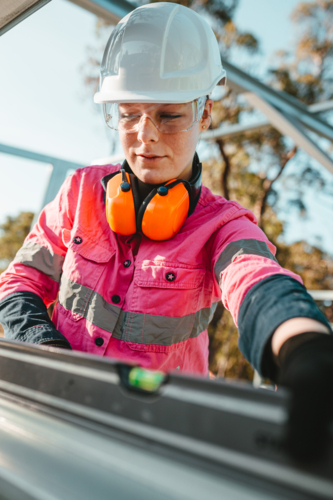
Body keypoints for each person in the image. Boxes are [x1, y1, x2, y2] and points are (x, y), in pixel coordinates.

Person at [0, 2, 332, 462]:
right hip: (54, 412)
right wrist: (45, 350)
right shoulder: (79, 192)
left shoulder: (222, 224)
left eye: (169, 115)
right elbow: (18, 282)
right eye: (129, 113)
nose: (145, 135)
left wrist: (302, 344)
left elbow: (257, 281)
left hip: (159, 439)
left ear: (205, 113)